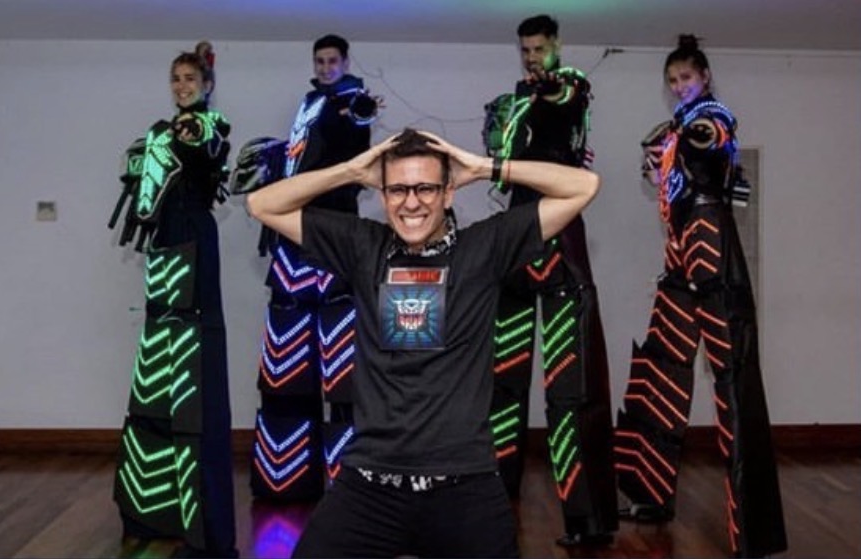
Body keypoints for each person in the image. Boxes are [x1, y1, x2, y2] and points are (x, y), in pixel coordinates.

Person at [246, 128, 600, 558]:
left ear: (449, 193)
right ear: (383, 195)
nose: (411, 202)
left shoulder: (484, 248)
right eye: (397, 190)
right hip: (370, 486)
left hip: (464, 487)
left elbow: (584, 186)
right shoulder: (362, 246)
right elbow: (262, 204)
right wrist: (351, 171)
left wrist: (483, 168)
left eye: (426, 188)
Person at [613, 35, 787, 558]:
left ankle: (752, 530)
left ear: (704, 77)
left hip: (711, 247)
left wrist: (675, 142)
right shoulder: (677, 127)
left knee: (734, 378)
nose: (678, 86)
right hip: (682, 252)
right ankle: (648, 492)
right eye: (672, 80)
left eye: (685, 77)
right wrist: (659, 161)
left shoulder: (711, 117)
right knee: (662, 367)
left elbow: (711, 136)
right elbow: (668, 177)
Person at [482, 13, 618, 546]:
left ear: (557, 46)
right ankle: (497, 489)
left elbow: (565, 92)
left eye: (539, 48)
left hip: (559, 243)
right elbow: (501, 158)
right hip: (518, 240)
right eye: (525, 50)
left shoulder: (570, 87)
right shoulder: (518, 102)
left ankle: (587, 521)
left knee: (570, 390)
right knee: (504, 380)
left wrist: (538, 90)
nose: (532, 57)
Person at [231, 34, 382, 502]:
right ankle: (287, 476)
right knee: (287, 363)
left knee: (343, 371)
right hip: (296, 240)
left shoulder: (350, 100)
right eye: (319, 61)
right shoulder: (310, 103)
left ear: (345, 62)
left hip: (335, 241)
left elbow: (358, 126)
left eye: (332, 60)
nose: (325, 67)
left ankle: (346, 485)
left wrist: (357, 109)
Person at [109, 41, 237, 558]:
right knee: (157, 377)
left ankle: (204, 529)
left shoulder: (206, 128)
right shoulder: (160, 133)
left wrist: (192, 131)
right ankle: (151, 510)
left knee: (191, 385)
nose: (182, 86)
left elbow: (205, 148)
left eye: (190, 78)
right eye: (176, 79)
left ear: (206, 85)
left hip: (192, 249)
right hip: (165, 252)